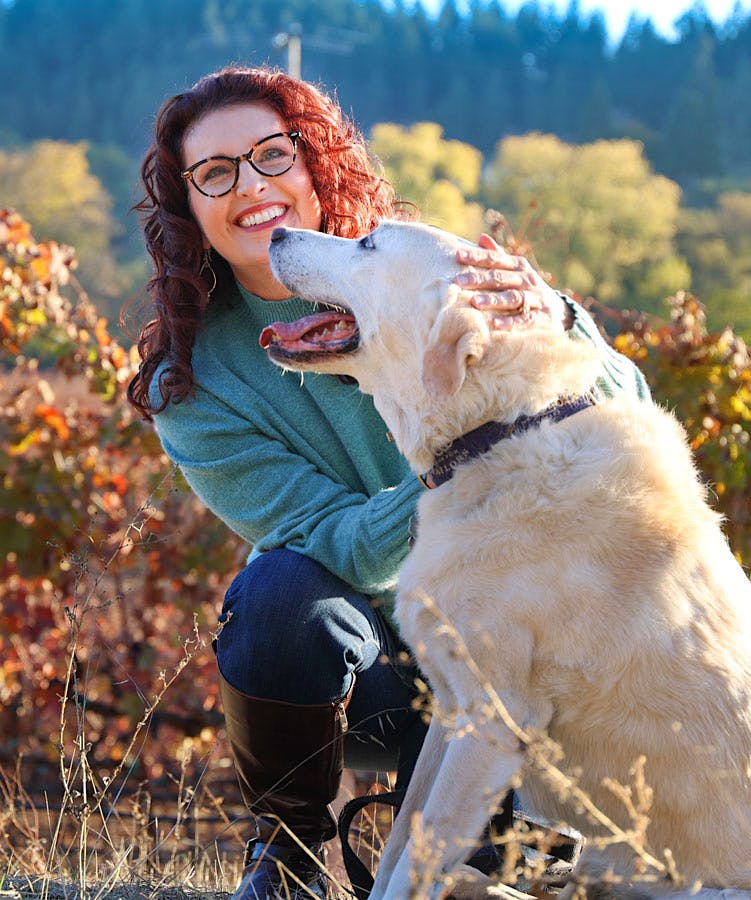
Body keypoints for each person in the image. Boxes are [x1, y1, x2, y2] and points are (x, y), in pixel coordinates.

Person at [127, 65, 650, 900]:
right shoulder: (190, 386)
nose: (250, 185)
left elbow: (627, 409)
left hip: (525, 651)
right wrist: (490, 451)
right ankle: (292, 860)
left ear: (315, 162)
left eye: (272, 155)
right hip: (369, 671)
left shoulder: (424, 271)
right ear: (188, 205)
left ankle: (502, 849)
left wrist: (555, 320)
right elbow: (346, 549)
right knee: (278, 592)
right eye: (215, 173)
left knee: (492, 883)